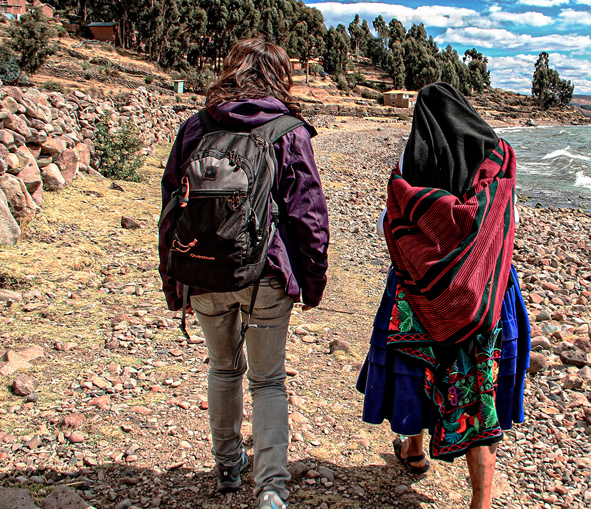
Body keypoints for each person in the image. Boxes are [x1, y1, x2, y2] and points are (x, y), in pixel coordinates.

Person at [158, 39, 329, 509]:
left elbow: (171, 205)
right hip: (266, 273)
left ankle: (227, 466)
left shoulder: (196, 126)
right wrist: (311, 281)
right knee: (268, 380)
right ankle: (271, 488)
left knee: (222, 368)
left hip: (202, 268)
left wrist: (175, 281)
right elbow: (309, 215)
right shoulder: (287, 130)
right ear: (279, 76)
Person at [357, 82, 530, 509]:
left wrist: (426, 249)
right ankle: (480, 501)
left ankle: (414, 449)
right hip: (486, 293)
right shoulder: (497, 161)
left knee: (417, 367)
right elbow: (510, 221)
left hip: (418, 290)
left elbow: (387, 224)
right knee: (480, 385)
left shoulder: (412, 161)